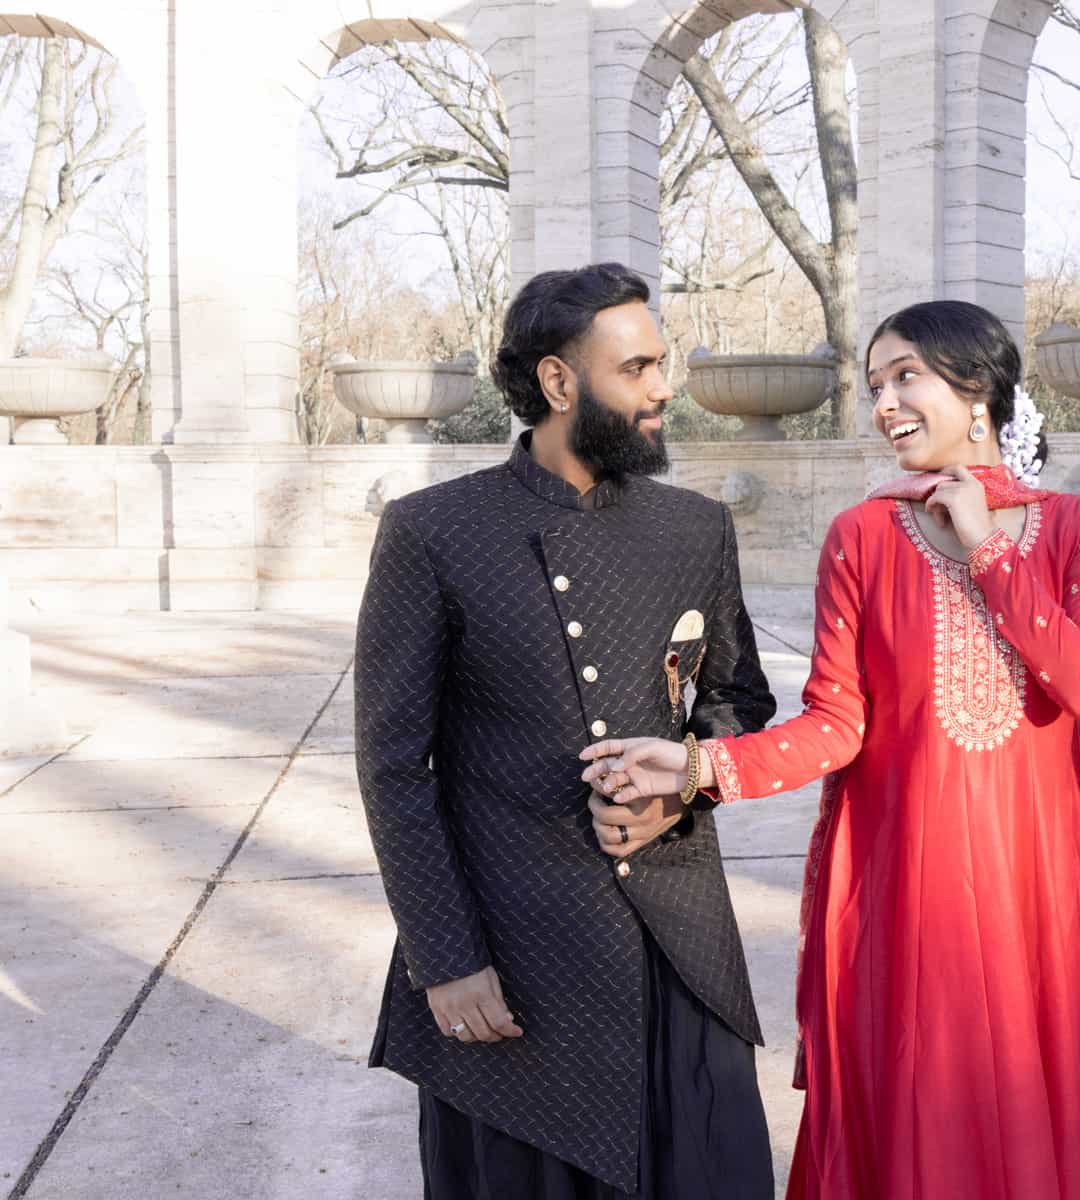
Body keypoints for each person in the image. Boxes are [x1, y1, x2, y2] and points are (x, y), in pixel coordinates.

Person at [581, 300, 1080, 1199]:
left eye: (905, 377)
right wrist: (696, 766)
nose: (885, 403)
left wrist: (987, 550)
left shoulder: (1079, 527)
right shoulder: (862, 535)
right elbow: (834, 725)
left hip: (1037, 889)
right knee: (913, 1107)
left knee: (1024, 1099)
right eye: (874, 384)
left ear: (977, 392)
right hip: (907, 886)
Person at [354, 262, 778, 1199]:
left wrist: (685, 787)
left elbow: (736, 704)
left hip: (680, 945)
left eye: (661, 364)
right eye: (638, 368)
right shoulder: (435, 529)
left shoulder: (694, 527)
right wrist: (447, 960)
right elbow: (392, 767)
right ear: (558, 382)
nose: (664, 387)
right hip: (512, 958)